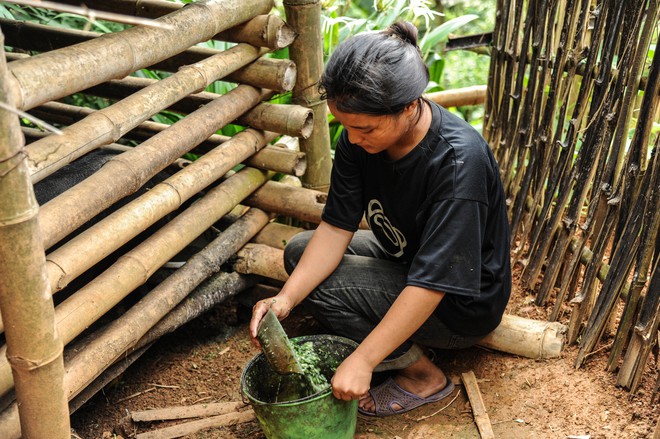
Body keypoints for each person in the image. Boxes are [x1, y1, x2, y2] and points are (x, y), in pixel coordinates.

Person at [250, 21, 511, 417]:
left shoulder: (458, 164)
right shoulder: (361, 138)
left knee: (326, 289)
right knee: (300, 253)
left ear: (409, 106)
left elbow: (431, 284)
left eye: (365, 129)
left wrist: (364, 360)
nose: (353, 140)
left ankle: (422, 376)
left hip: (460, 303)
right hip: (410, 259)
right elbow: (337, 226)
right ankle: (385, 338)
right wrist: (284, 299)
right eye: (347, 127)